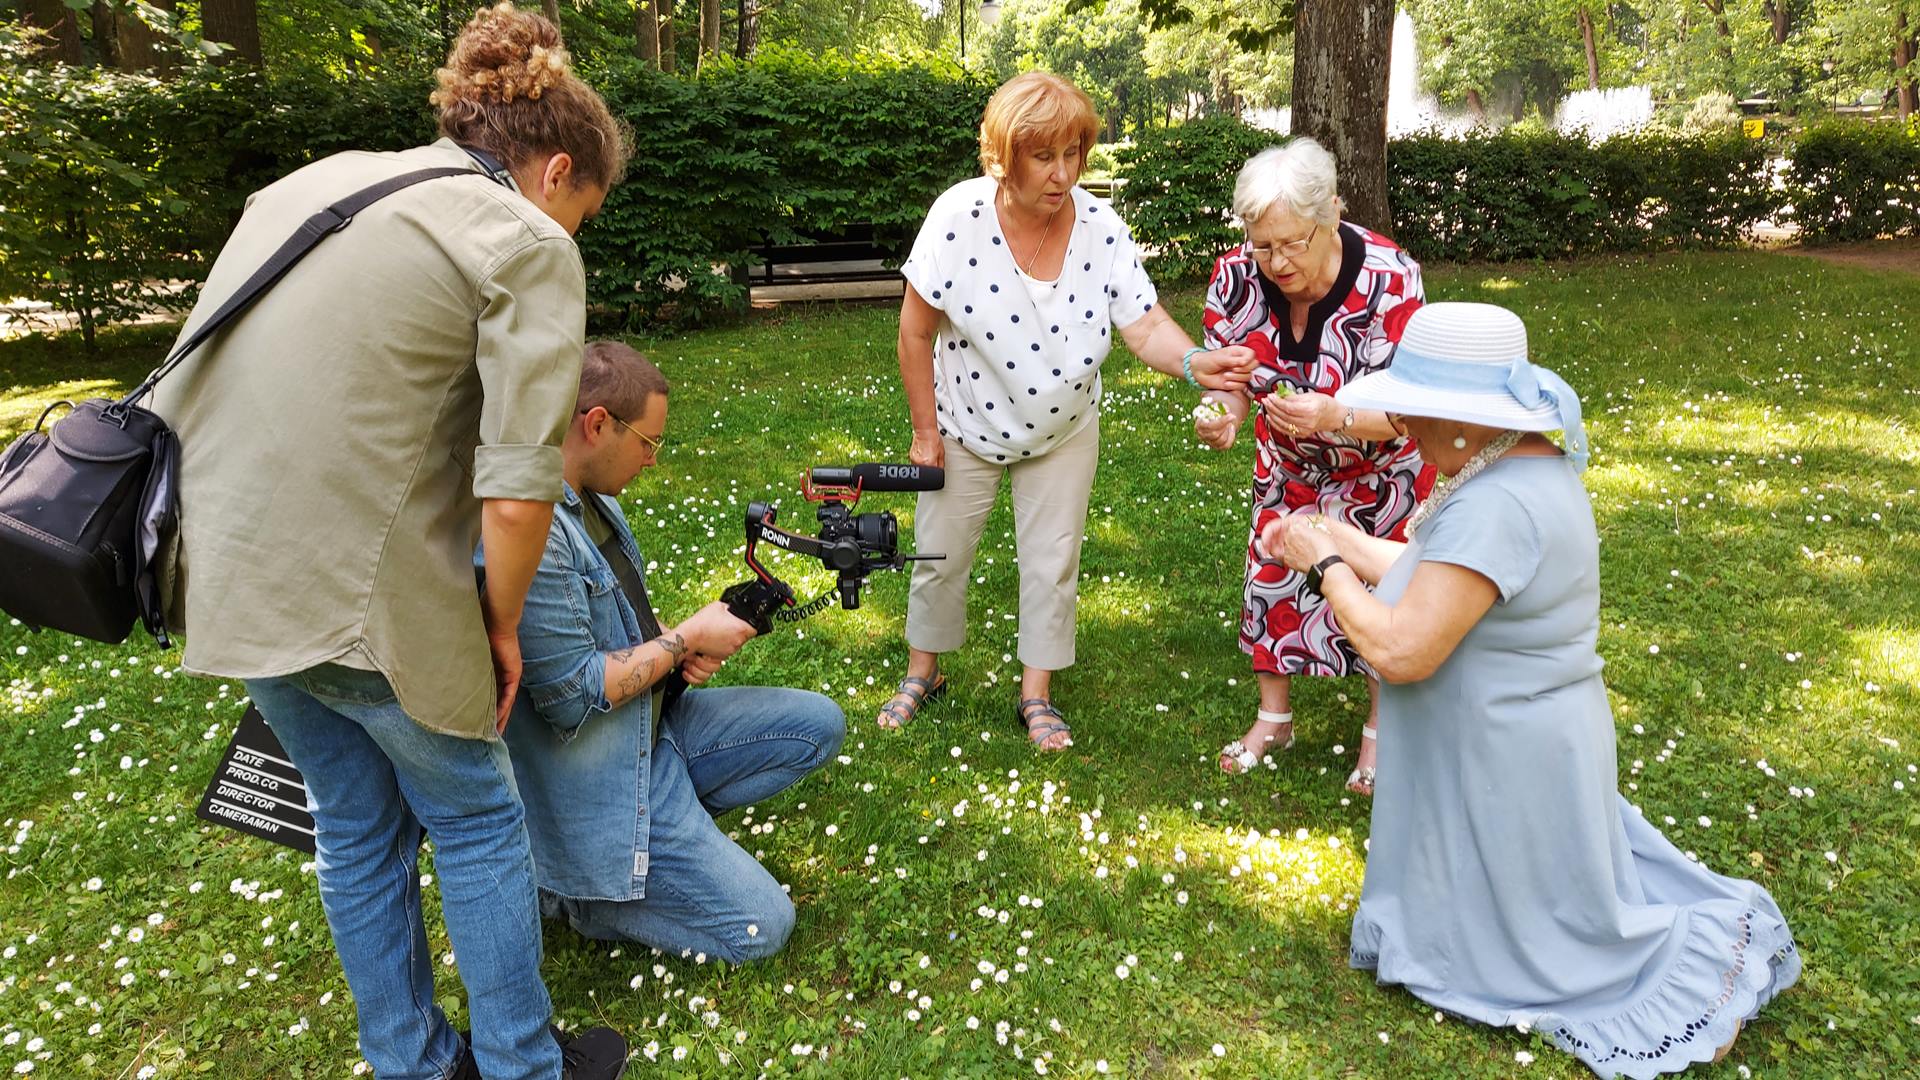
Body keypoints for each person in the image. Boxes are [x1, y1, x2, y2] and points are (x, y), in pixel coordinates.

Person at [151, 6, 632, 1078]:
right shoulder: (523, 240)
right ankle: (522, 1066)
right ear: (557, 171)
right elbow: (520, 488)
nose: (576, 236)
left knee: (354, 827)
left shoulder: (309, 188)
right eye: (583, 214)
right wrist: (498, 628)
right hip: (358, 599)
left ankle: (413, 1062)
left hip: (217, 574)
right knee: (475, 817)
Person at [1262, 302, 1799, 1078]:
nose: (1403, 428)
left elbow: (1402, 648)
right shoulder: (1516, 466)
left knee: (1560, 944)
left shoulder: (1497, 502)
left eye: (1415, 412)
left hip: (1509, 756)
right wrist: (1343, 538)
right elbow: (1441, 579)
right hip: (1522, 738)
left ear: (1462, 420)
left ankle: (1676, 988)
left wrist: (1324, 567)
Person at [878, 70, 1257, 750]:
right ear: (1005, 155)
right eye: (1043, 156)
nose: (1062, 173)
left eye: (1073, 153)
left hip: (1063, 425)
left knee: (1052, 561)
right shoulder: (957, 218)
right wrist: (925, 432)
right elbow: (914, 332)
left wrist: (1195, 362)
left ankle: (1037, 693)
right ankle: (923, 673)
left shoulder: (1101, 228)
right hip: (966, 420)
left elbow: (1144, 324)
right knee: (940, 553)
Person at [491, 341, 845, 964]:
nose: (653, 460)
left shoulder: (595, 501)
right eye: (647, 442)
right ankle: (579, 895)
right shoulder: (538, 532)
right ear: (597, 424)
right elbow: (571, 697)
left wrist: (678, 643)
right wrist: (685, 638)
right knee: (762, 928)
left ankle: (669, 844)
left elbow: (621, 626)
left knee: (818, 725)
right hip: (603, 774)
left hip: (656, 730)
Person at [1193, 139, 1434, 795]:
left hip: (1382, 468)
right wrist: (1223, 416)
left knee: (1384, 590)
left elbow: (1414, 409)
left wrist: (1336, 416)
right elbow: (1229, 380)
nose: (1276, 263)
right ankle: (1274, 720)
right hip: (1288, 461)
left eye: (1292, 243)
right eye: (1262, 246)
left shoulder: (1390, 279)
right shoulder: (1236, 278)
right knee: (1273, 570)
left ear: (1331, 212)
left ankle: (1383, 729)